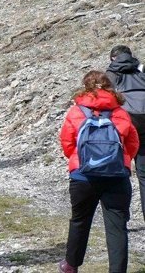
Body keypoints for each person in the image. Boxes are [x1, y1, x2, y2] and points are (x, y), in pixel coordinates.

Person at [58, 70, 139, 273]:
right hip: (116, 176)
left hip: (83, 176)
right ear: (110, 87)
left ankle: (71, 265)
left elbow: (67, 143)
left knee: (80, 220)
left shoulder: (76, 112)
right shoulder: (121, 112)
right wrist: (122, 161)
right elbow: (133, 143)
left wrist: (78, 161)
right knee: (117, 225)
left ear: (85, 87)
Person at [105, 45, 145, 225]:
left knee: (121, 173)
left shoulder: (110, 75)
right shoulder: (141, 70)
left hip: (124, 127)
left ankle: (122, 218)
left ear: (113, 58)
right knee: (144, 176)